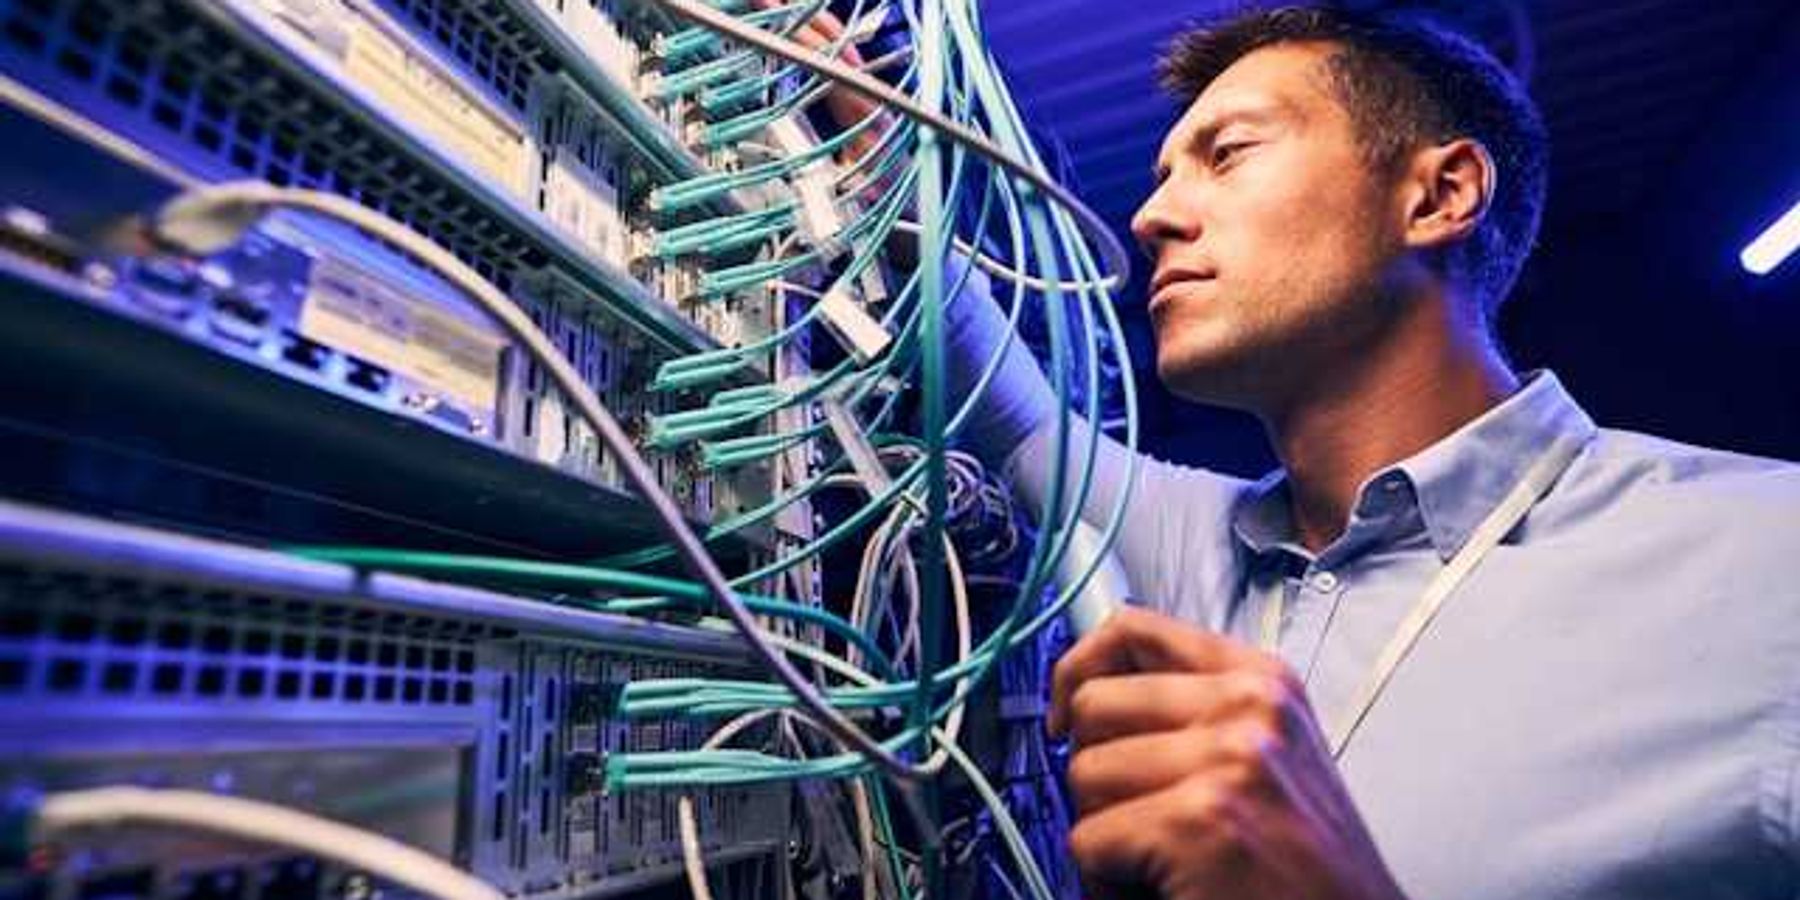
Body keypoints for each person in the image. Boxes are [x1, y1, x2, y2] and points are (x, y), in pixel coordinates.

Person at [782, 4, 1800, 898]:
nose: (1151, 216)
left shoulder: (1765, 563)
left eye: (1227, 154)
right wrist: (877, 163)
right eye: (1161, 174)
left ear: (1439, 195)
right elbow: (1020, 423)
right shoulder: (1208, 545)